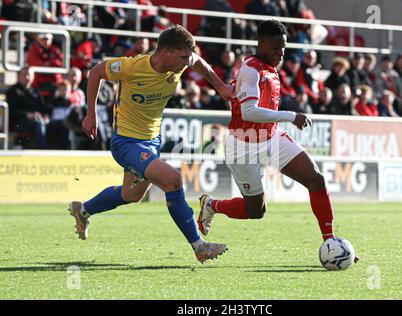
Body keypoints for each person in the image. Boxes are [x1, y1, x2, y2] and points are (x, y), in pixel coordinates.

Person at [68, 25, 233, 263]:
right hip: (126, 142)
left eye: (188, 57)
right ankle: (199, 245)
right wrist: (90, 114)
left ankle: (82, 210)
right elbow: (95, 73)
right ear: (165, 53)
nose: (187, 62)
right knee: (173, 180)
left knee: (131, 195)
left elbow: (200, 64)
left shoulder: (183, 60)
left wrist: (221, 87)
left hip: (151, 141)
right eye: (182, 57)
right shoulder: (131, 67)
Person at [196, 20, 358, 261]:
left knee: (316, 179)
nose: (280, 54)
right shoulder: (251, 69)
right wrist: (291, 116)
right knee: (256, 211)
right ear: (260, 44)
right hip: (244, 145)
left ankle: (331, 242)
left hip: (270, 137)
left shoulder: (268, 67)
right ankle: (212, 205)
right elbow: (249, 111)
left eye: (283, 48)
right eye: (274, 48)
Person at [5, 66, 48, 149]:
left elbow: (44, 109)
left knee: (62, 124)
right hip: (19, 123)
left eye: (29, 75)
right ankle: (44, 151)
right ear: (18, 76)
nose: (27, 77)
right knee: (38, 123)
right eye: (24, 75)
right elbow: (12, 111)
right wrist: (27, 115)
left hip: (39, 120)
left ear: (33, 77)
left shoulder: (36, 91)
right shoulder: (12, 91)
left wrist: (46, 117)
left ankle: (64, 152)